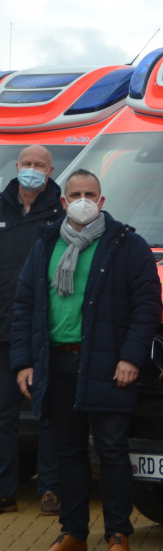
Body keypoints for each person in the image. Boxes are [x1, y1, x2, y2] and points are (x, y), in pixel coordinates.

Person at [10, 169, 162, 551]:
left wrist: (131, 357)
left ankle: (118, 535)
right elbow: (25, 306)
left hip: (108, 366)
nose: (82, 199)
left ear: (102, 200)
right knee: (68, 452)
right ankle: (74, 533)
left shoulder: (127, 245)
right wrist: (23, 363)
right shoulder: (45, 245)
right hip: (55, 364)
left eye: (90, 193)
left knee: (112, 449)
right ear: (63, 202)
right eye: (75, 193)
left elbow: (147, 306)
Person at [0, 145, 63, 517]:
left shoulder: (62, 213)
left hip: (46, 332)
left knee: (49, 414)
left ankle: (51, 488)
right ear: (17, 166)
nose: (32, 170)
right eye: (27, 164)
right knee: (3, 414)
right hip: (3, 332)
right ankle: (5, 490)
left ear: (51, 170)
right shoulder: (1, 206)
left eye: (40, 165)